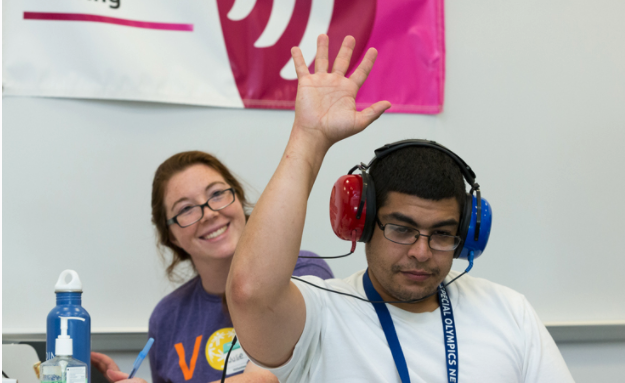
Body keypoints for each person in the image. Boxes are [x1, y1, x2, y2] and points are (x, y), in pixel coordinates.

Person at [225, 35, 575, 382]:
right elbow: (250, 291)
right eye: (401, 229)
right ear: (359, 223)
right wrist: (309, 138)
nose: (421, 252)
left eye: (442, 234)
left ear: (467, 234)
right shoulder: (322, 314)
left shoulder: (509, 313)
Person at [91, 151, 334, 383]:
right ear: (172, 237)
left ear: (238, 198)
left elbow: (265, 378)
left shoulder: (301, 271)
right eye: (185, 209)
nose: (208, 214)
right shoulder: (166, 318)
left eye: (217, 194)